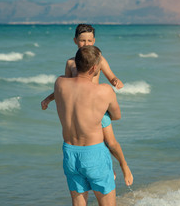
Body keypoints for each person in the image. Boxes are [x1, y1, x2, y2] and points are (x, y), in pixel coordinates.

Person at [54, 45, 133, 206]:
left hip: (70, 153)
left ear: (76, 63)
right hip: (94, 153)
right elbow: (117, 116)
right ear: (95, 68)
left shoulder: (60, 83)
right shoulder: (103, 90)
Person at [41, 24, 124, 110]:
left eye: (89, 40)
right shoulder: (70, 63)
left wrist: (116, 81)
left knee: (105, 122)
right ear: (75, 40)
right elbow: (65, 88)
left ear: (94, 41)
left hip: (95, 104)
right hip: (78, 106)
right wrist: (48, 99)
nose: (86, 44)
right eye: (82, 40)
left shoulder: (100, 60)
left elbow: (112, 78)